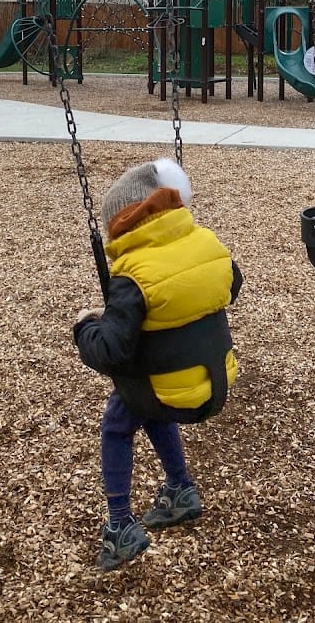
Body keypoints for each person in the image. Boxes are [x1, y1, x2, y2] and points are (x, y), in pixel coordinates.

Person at [73, 157, 242, 572]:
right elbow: (229, 286)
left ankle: (119, 527)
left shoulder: (132, 276)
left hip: (170, 393)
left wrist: (84, 327)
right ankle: (180, 490)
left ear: (123, 224)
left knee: (119, 419)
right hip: (214, 382)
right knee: (148, 401)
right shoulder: (206, 243)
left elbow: (110, 352)